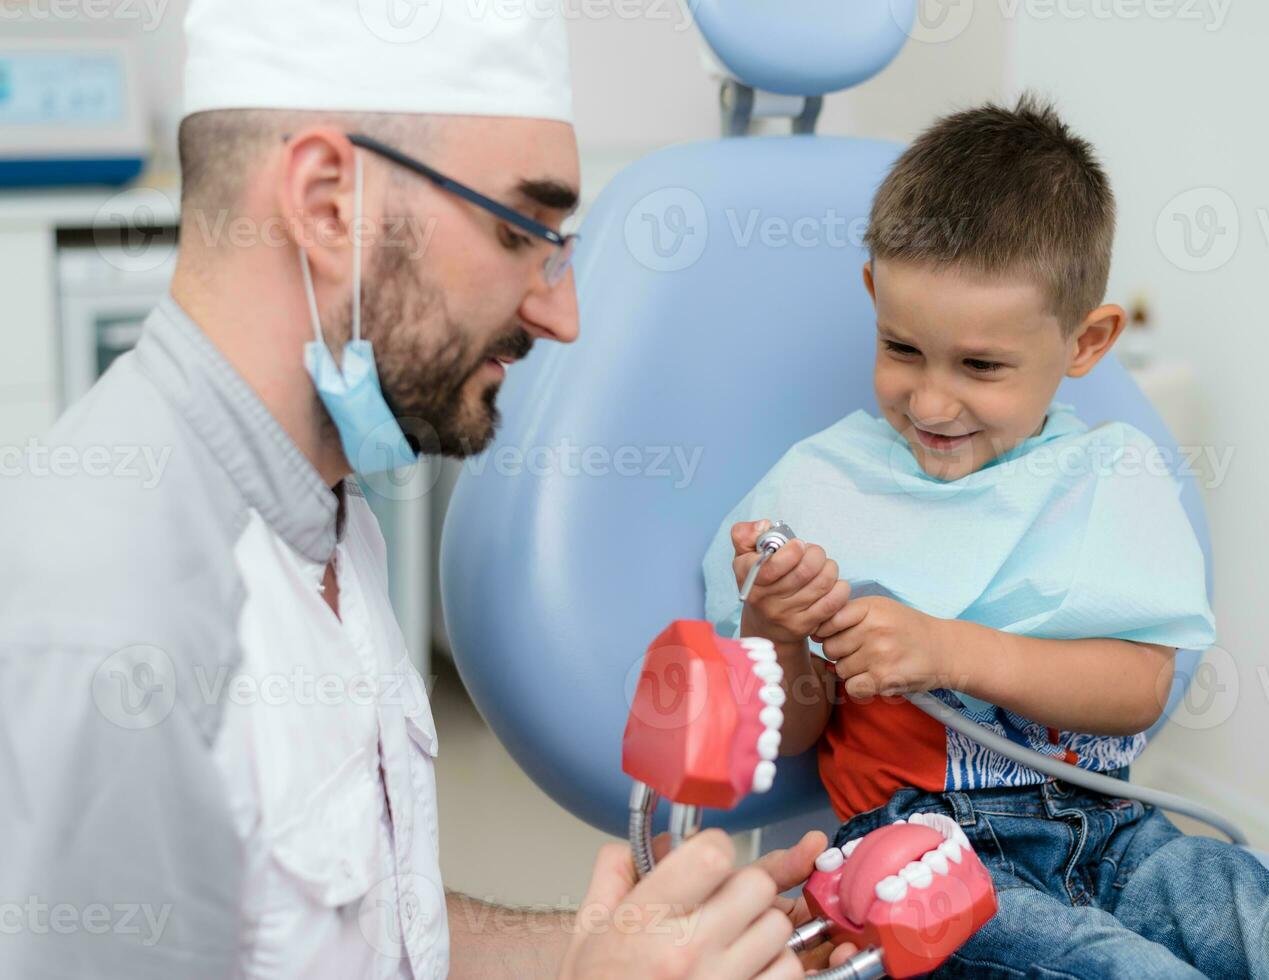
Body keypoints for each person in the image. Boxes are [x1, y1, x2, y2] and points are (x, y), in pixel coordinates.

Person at [0, 2, 835, 978]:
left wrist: (618, 952)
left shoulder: (317, 501)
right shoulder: (119, 622)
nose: (561, 313)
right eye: (525, 227)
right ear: (327, 204)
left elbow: (337, 928)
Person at [704, 96, 1269, 977]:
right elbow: (791, 737)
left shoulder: (1112, 479)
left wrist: (947, 649)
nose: (930, 402)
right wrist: (775, 624)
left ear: (1088, 341)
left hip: (1116, 834)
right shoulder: (821, 488)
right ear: (874, 295)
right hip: (925, 865)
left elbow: (1139, 688)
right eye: (902, 349)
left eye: (981, 366)